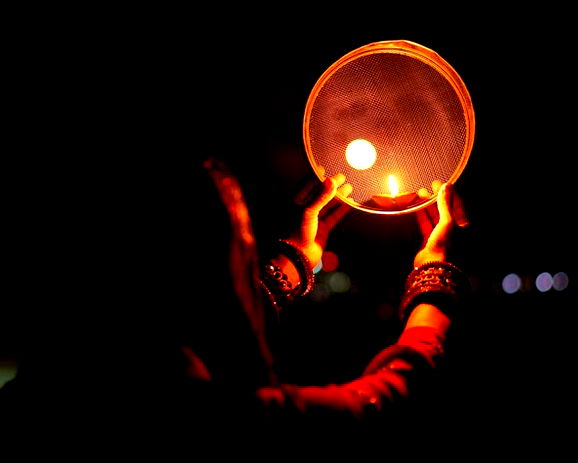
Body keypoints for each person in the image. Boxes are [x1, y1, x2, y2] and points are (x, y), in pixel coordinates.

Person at [0, 151, 470, 455]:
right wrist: (436, 273)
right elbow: (387, 405)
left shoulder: (39, 399)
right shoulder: (228, 430)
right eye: (239, 254)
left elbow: (199, 323)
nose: (247, 269)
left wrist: (295, 259)